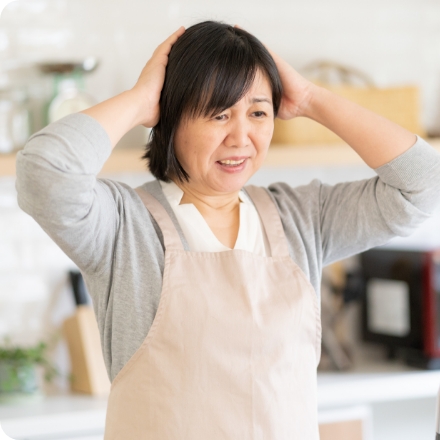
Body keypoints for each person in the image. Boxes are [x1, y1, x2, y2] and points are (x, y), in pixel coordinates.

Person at [16, 21, 440, 439]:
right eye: (218, 114)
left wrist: (311, 98)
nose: (242, 137)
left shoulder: (302, 219)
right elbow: (44, 174)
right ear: (170, 117)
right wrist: (140, 99)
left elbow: (423, 183)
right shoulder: (123, 228)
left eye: (258, 112)